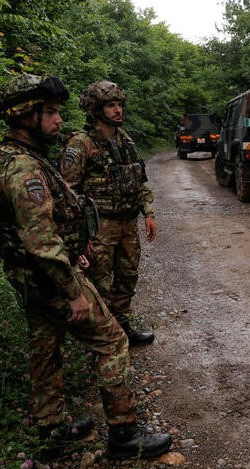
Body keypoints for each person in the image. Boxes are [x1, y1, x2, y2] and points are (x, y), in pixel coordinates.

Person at [0, 73, 171, 459]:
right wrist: (73, 289)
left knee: (45, 348)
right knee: (113, 341)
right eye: (49, 113)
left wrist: (76, 244)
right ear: (25, 115)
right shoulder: (24, 168)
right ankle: (124, 435)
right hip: (51, 278)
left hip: (30, 277)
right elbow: (40, 240)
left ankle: (50, 430)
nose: (58, 120)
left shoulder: (6, 158)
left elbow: (41, 224)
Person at [59, 80, 155, 346]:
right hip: (99, 227)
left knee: (127, 277)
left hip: (127, 224)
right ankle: (102, 338)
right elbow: (68, 194)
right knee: (99, 282)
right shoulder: (81, 144)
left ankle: (122, 328)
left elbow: (140, 178)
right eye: (111, 105)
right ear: (96, 109)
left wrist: (148, 212)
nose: (118, 110)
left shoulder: (126, 141)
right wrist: (81, 235)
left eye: (120, 105)